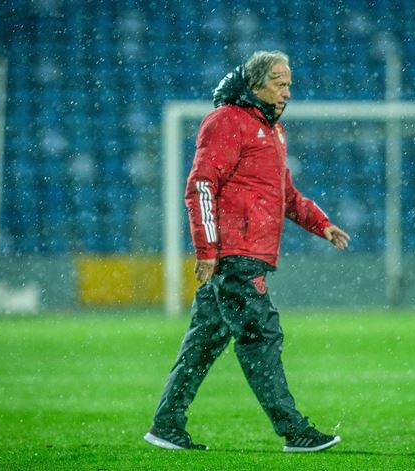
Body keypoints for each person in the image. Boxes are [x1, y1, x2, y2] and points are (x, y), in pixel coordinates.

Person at [144, 50, 350, 453]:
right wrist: (206, 249)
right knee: (261, 336)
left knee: (204, 341)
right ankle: (294, 431)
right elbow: (201, 185)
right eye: (279, 82)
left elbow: (285, 194)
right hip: (235, 255)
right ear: (255, 84)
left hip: (244, 252)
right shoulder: (226, 122)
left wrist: (320, 223)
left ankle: (166, 424)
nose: (287, 92)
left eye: (290, 84)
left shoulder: (273, 131)